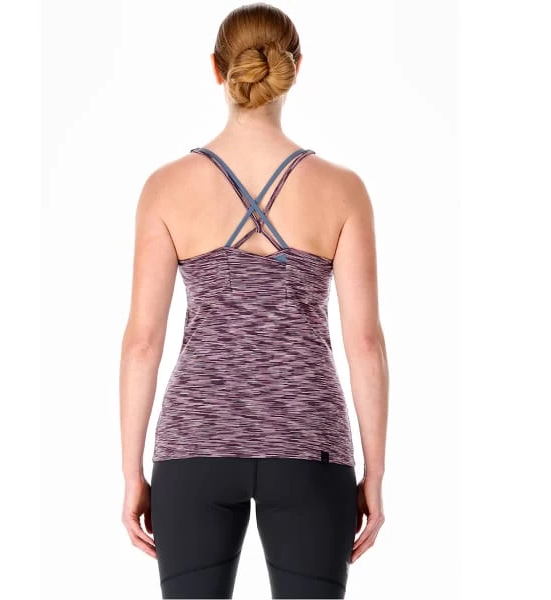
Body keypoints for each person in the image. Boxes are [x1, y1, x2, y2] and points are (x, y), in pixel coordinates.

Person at [119, 3, 389, 598]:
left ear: (217, 70)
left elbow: (142, 343)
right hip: (311, 447)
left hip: (193, 446)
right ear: (297, 68)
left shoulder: (166, 188)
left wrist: (132, 471)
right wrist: (375, 471)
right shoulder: (343, 190)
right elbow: (365, 344)